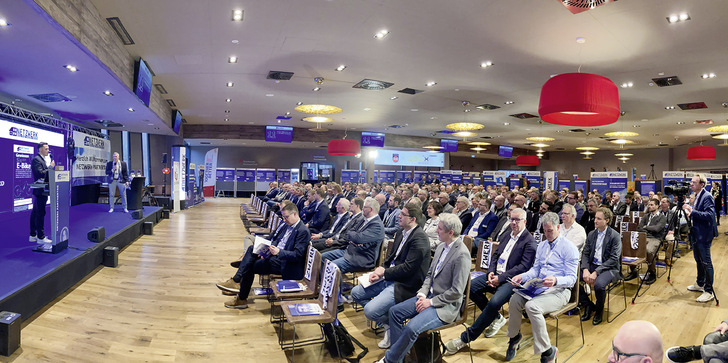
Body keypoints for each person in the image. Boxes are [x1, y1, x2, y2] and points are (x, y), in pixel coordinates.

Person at [375, 214, 470, 363]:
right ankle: (397, 356)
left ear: (450, 232)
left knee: (411, 328)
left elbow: (457, 292)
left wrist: (431, 303)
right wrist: (422, 293)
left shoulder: (462, 254)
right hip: (429, 296)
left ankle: (391, 359)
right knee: (394, 312)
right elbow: (430, 275)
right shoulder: (440, 247)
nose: (436, 231)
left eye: (439, 229)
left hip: (445, 306)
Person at [444, 208, 537, 356]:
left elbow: (523, 267)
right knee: (470, 288)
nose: (513, 222)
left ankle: (466, 338)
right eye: (511, 219)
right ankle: (496, 317)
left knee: (494, 303)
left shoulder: (530, 242)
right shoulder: (507, 235)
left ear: (524, 221)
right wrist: (491, 272)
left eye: (517, 220)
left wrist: (499, 279)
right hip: (495, 275)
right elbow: (495, 255)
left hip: (512, 281)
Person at [350, 203, 430, 349]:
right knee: (356, 293)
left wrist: (384, 273)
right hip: (390, 276)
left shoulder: (420, 239)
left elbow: (408, 269)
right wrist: (381, 268)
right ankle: (388, 323)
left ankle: (390, 323)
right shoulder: (401, 232)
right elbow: (392, 258)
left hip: (404, 283)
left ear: (412, 219)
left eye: (403, 214)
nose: (399, 216)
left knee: (370, 311)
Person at [216, 202, 310, 309]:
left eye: (286, 217)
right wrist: (267, 250)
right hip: (274, 255)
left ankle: (239, 291)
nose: (284, 219)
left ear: (294, 214)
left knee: (249, 265)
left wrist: (278, 252)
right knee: (252, 249)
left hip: (285, 263)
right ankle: (237, 284)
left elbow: (297, 255)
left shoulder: (303, 231)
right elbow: (276, 240)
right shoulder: (286, 224)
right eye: (283, 217)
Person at [322, 197, 385, 310]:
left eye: (364, 207)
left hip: (362, 258)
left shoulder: (376, 225)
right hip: (351, 250)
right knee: (323, 257)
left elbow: (357, 237)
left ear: (370, 209)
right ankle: (326, 290)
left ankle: (338, 301)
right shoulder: (363, 219)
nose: (362, 209)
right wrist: (355, 239)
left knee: (334, 267)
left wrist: (355, 239)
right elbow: (350, 232)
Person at [579, 207, 622, 325]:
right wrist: (585, 269)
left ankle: (599, 310)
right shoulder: (592, 234)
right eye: (595, 218)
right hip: (593, 265)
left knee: (599, 285)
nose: (595, 221)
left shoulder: (615, 236)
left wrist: (596, 272)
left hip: (609, 268)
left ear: (607, 220)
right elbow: (585, 253)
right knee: (573, 278)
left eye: (599, 219)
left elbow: (614, 259)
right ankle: (588, 305)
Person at [684, 174, 718, 303]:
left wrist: (692, 211)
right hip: (696, 232)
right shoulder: (697, 195)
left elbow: (710, 215)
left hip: (704, 234)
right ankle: (700, 283)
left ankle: (709, 291)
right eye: (691, 182)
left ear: (701, 184)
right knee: (698, 259)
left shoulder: (707, 196)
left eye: (694, 182)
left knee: (706, 261)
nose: (691, 184)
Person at [625, 198, 666, 285]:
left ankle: (652, 273)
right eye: (649, 205)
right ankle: (634, 271)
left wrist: (646, 227)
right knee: (630, 247)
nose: (650, 206)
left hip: (655, 239)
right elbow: (639, 227)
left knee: (649, 250)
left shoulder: (662, 217)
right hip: (643, 237)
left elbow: (657, 229)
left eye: (652, 205)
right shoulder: (646, 216)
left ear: (657, 206)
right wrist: (647, 229)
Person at [30, 142, 55, 243]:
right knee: (40, 212)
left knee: (36, 212)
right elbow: (40, 173)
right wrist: (50, 167)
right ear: (40, 149)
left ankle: (33, 235)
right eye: (46, 149)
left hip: (42, 189)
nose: (48, 150)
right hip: (40, 189)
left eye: (48, 148)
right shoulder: (37, 159)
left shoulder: (42, 159)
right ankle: (40, 237)